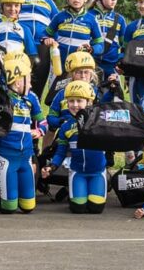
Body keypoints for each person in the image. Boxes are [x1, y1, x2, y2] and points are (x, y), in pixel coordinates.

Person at [0, 51, 45, 214]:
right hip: (6, 156)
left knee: (28, 207)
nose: (31, 85)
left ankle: (9, 190)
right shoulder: (1, 97)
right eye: (29, 80)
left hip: (25, 156)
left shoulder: (31, 98)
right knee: (9, 207)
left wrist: (39, 130)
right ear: (17, 82)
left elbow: (43, 121)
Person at [43, 80, 107, 214]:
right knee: (78, 209)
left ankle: (71, 190)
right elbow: (60, 153)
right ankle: (72, 189)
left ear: (89, 102)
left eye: (79, 101)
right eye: (71, 101)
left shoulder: (99, 121)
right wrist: (52, 166)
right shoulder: (65, 127)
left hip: (98, 172)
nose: (75, 105)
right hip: (78, 172)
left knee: (96, 208)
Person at [11, 0, 58, 92]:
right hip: (17, 45)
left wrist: (53, 39)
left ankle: (34, 113)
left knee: (36, 87)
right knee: (15, 87)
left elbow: (58, 23)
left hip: (41, 47)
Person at [42, 0, 104, 80]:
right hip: (59, 65)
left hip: (79, 68)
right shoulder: (59, 16)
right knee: (55, 95)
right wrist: (46, 39)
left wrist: (92, 49)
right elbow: (45, 34)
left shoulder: (92, 19)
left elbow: (100, 45)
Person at [89, 0, 126, 78]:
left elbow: (125, 46)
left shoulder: (120, 19)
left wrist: (121, 60)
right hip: (91, 65)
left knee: (115, 94)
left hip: (112, 67)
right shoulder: (88, 16)